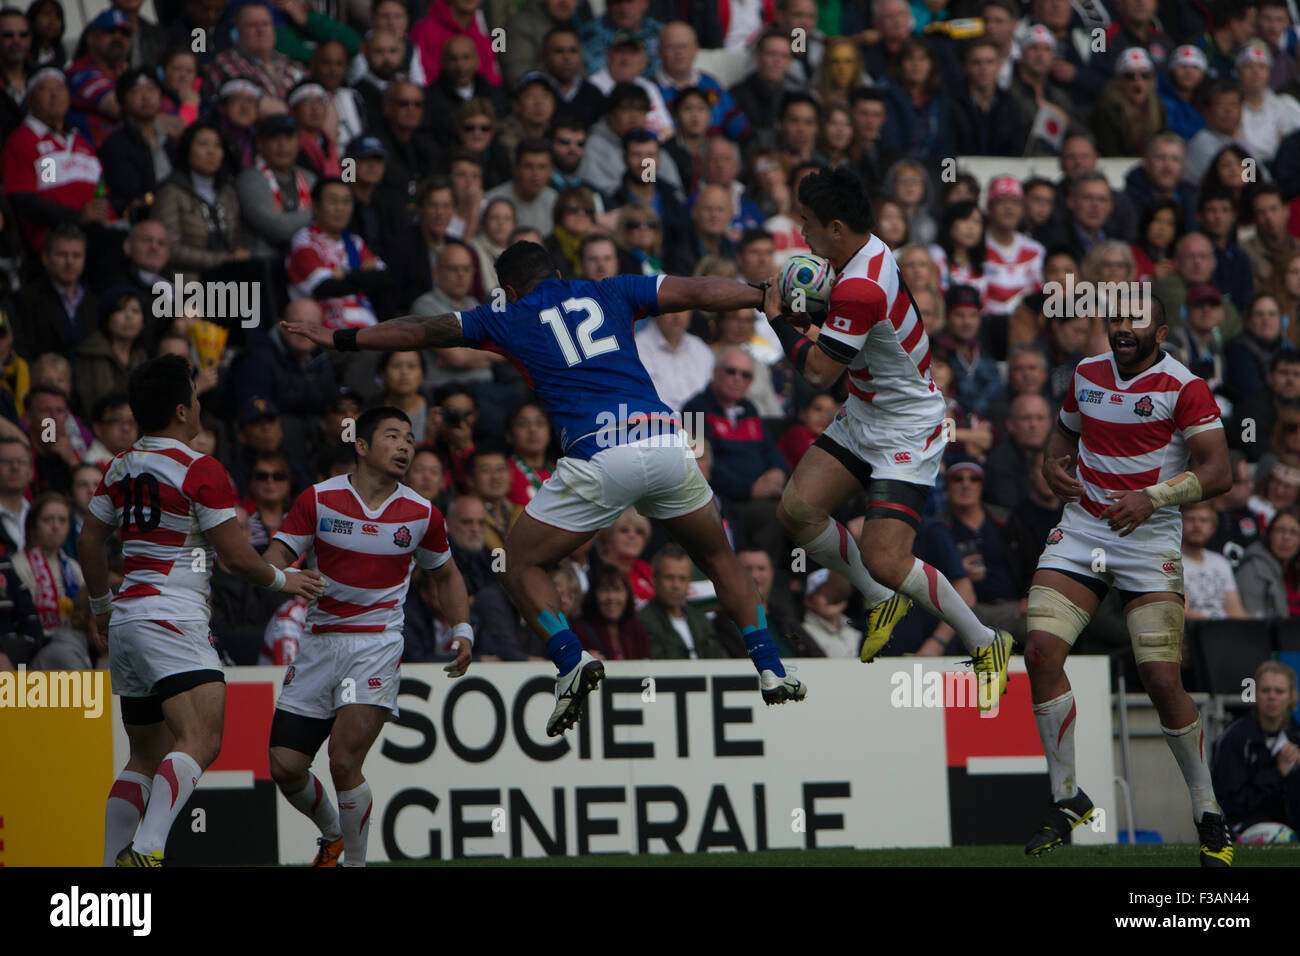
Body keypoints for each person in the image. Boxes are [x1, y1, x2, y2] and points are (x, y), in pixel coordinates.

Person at [281, 240, 808, 737]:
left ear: (508, 289)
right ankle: (769, 667)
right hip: (667, 442)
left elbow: (421, 330)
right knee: (720, 558)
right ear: (558, 274)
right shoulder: (611, 289)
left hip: (600, 454)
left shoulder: (506, 317)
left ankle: (570, 658)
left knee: (515, 563)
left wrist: (341, 337)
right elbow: (694, 291)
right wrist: (759, 294)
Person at [758, 167, 1013, 706]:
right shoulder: (863, 252)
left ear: (834, 227)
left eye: (806, 224)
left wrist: (779, 319)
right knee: (795, 512)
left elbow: (820, 373)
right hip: (867, 410)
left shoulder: (860, 285)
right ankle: (880, 599)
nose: (800, 235)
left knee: (887, 558)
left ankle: (987, 642)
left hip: (908, 425)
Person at [83, 354, 325, 867]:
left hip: (128, 621)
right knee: (203, 739)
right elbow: (238, 558)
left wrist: (101, 606)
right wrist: (288, 579)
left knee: (143, 757)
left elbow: (89, 540)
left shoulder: (120, 465)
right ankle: (148, 850)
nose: (199, 406)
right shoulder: (200, 469)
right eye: (194, 398)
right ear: (180, 411)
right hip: (173, 618)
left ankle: (108, 868)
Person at [1024, 294, 1235, 865]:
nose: (1122, 327)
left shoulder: (1184, 385)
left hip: (1148, 540)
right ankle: (1067, 798)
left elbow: (1219, 470)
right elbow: (1064, 436)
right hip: (1085, 527)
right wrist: (1051, 464)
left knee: (1162, 680)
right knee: (1040, 651)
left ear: (1160, 331)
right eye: (1116, 318)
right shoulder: (1086, 374)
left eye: (1136, 320)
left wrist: (1153, 497)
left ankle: (1208, 811)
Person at [261, 406, 472, 867]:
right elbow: (274, 558)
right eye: (393, 437)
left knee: (342, 760)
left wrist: (463, 631)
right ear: (360, 445)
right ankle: (333, 834)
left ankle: (354, 864)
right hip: (318, 642)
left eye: (409, 440)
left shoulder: (421, 514)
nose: (404, 447)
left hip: (376, 644)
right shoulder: (318, 500)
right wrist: (286, 578)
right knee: (285, 766)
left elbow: (449, 576)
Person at [1212, 660, 1300, 838]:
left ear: (1291, 696)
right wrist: (1277, 772)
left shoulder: (1296, 735)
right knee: (1282, 837)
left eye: (1279, 691)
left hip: (1289, 823)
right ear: (1254, 694)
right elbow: (1231, 804)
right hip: (1242, 825)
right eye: (1265, 690)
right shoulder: (1235, 739)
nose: (1272, 696)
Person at [1181, 500, 1249, 620]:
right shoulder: (1171, 562)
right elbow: (1181, 613)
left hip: (1224, 633)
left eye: (1203, 520)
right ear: (1179, 524)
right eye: (1191, 519)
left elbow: (1235, 611)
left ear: (1213, 528)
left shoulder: (1221, 562)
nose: (1197, 525)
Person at [573, 562, 649, 660]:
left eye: (618, 590)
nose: (611, 597)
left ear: (628, 594)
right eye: (604, 590)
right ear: (593, 595)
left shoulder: (637, 629)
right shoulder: (579, 630)